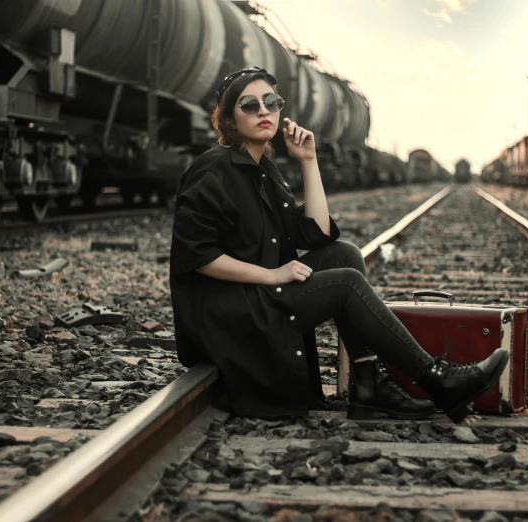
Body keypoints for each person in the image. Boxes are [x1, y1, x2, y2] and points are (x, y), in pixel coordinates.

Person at [169, 66, 509, 423]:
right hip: (229, 313)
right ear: (228, 118)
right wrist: (271, 275)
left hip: (256, 298)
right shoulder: (214, 168)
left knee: (344, 253)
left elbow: (314, 232)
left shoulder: (264, 170)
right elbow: (199, 255)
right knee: (345, 283)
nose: (264, 111)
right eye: (249, 105)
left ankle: (368, 383)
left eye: (271, 102)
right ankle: (438, 379)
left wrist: (309, 162)